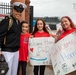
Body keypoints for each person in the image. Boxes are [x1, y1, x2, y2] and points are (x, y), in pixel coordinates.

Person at [0, 2, 27, 75]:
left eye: (20, 11)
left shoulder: (18, 22)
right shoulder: (7, 21)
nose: (18, 13)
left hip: (16, 52)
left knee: (14, 73)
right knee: (7, 73)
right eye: (17, 11)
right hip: (7, 52)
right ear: (13, 10)